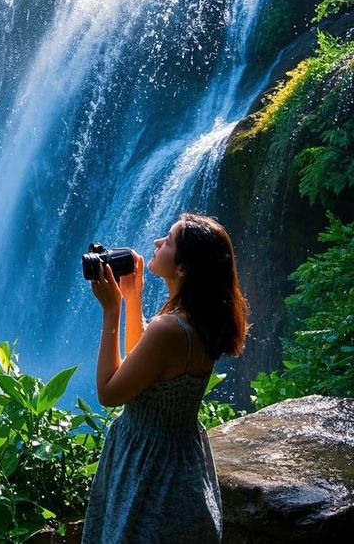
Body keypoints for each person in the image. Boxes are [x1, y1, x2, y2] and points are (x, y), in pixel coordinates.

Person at [81, 212, 249, 544]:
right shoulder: (196, 319)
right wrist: (133, 297)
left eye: (169, 240)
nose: (158, 242)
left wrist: (111, 311)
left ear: (184, 268)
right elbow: (143, 365)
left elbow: (110, 392)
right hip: (181, 462)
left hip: (149, 469)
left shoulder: (169, 327)